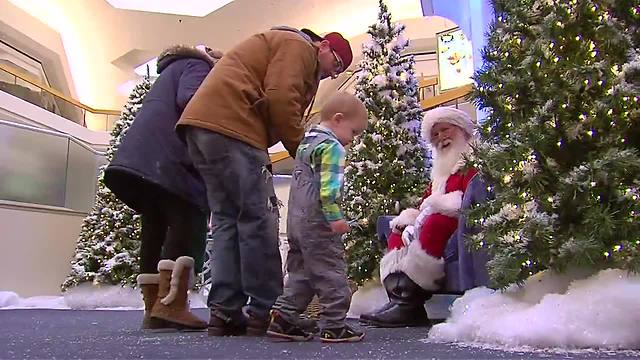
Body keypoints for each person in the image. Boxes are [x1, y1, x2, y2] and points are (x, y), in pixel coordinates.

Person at [176, 27, 353, 336]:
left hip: (202, 127)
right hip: (235, 128)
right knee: (259, 217)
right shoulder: (298, 46)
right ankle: (268, 308)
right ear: (322, 46)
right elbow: (282, 97)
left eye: (338, 72)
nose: (332, 74)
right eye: (335, 64)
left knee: (227, 219)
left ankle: (225, 310)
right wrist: (305, 152)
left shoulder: (279, 44)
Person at [104, 45, 222, 330]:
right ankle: (172, 305)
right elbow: (191, 99)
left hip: (144, 159)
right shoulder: (198, 66)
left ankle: (153, 308)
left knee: (155, 227)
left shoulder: (171, 70)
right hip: (172, 158)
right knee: (189, 223)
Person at [359, 107, 478, 328]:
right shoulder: (440, 172)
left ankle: (407, 303)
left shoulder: (470, 163)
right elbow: (425, 201)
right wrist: (412, 218)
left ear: (461, 130)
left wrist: (435, 207)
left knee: (435, 222)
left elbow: (467, 201)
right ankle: (402, 301)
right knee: (398, 229)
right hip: (434, 219)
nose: (441, 137)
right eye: (435, 134)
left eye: (445, 130)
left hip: (459, 225)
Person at [266, 93, 368, 343]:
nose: (351, 142)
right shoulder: (331, 148)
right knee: (331, 271)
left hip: (296, 223)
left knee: (301, 273)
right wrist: (335, 217)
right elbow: (329, 189)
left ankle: (284, 318)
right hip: (319, 224)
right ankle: (334, 324)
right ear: (338, 119)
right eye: (353, 133)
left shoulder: (305, 144)